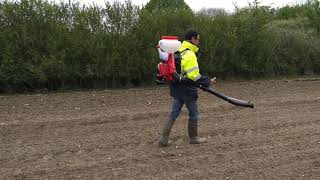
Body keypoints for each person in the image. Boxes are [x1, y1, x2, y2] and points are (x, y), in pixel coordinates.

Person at [159, 30, 216, 146]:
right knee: (194, 113)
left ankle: (163, 140)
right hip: (187, 90)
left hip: (176, 88)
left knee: (174, 113)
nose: (199, 42)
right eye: (198, 39)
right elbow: (194, 76)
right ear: (193, 39)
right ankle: (194, 138)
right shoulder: (189, 54)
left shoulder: (178, 49)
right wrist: (208, 81)